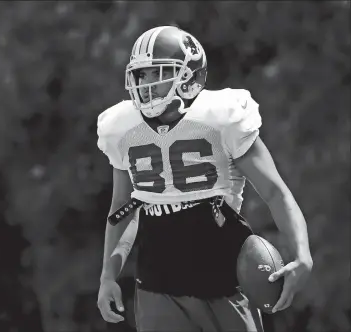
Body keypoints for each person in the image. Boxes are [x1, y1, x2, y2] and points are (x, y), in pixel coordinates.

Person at [96, 26, 313, 332]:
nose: (145, 84)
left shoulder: (221, 118)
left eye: (157, 73)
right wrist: (108, 276)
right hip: (158, 285)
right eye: (141, 75)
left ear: (187, 76)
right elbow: (124, 207)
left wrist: (302, 252)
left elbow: (275, 192)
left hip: (224, 279)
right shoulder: (121, 127)